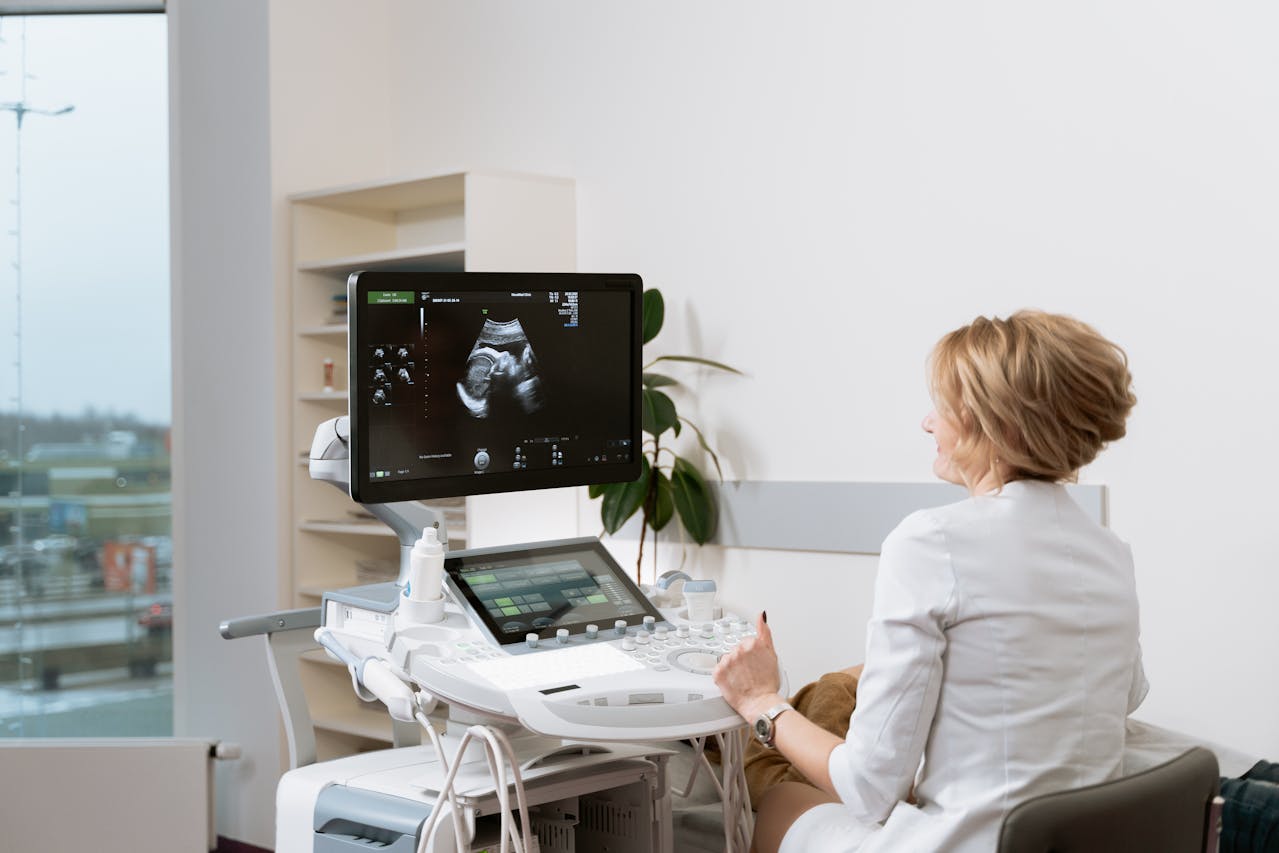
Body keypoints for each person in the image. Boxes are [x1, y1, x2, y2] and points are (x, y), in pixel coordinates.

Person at [713, 310, 1144, 853]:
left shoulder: (931, 541)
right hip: (1080, 840)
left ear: (998, 424)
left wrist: (760, 701)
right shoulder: (1108, 549)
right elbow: (1124, 694)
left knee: (781, 803)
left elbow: (868, 788)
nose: (928, 423)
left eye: (943, 407)